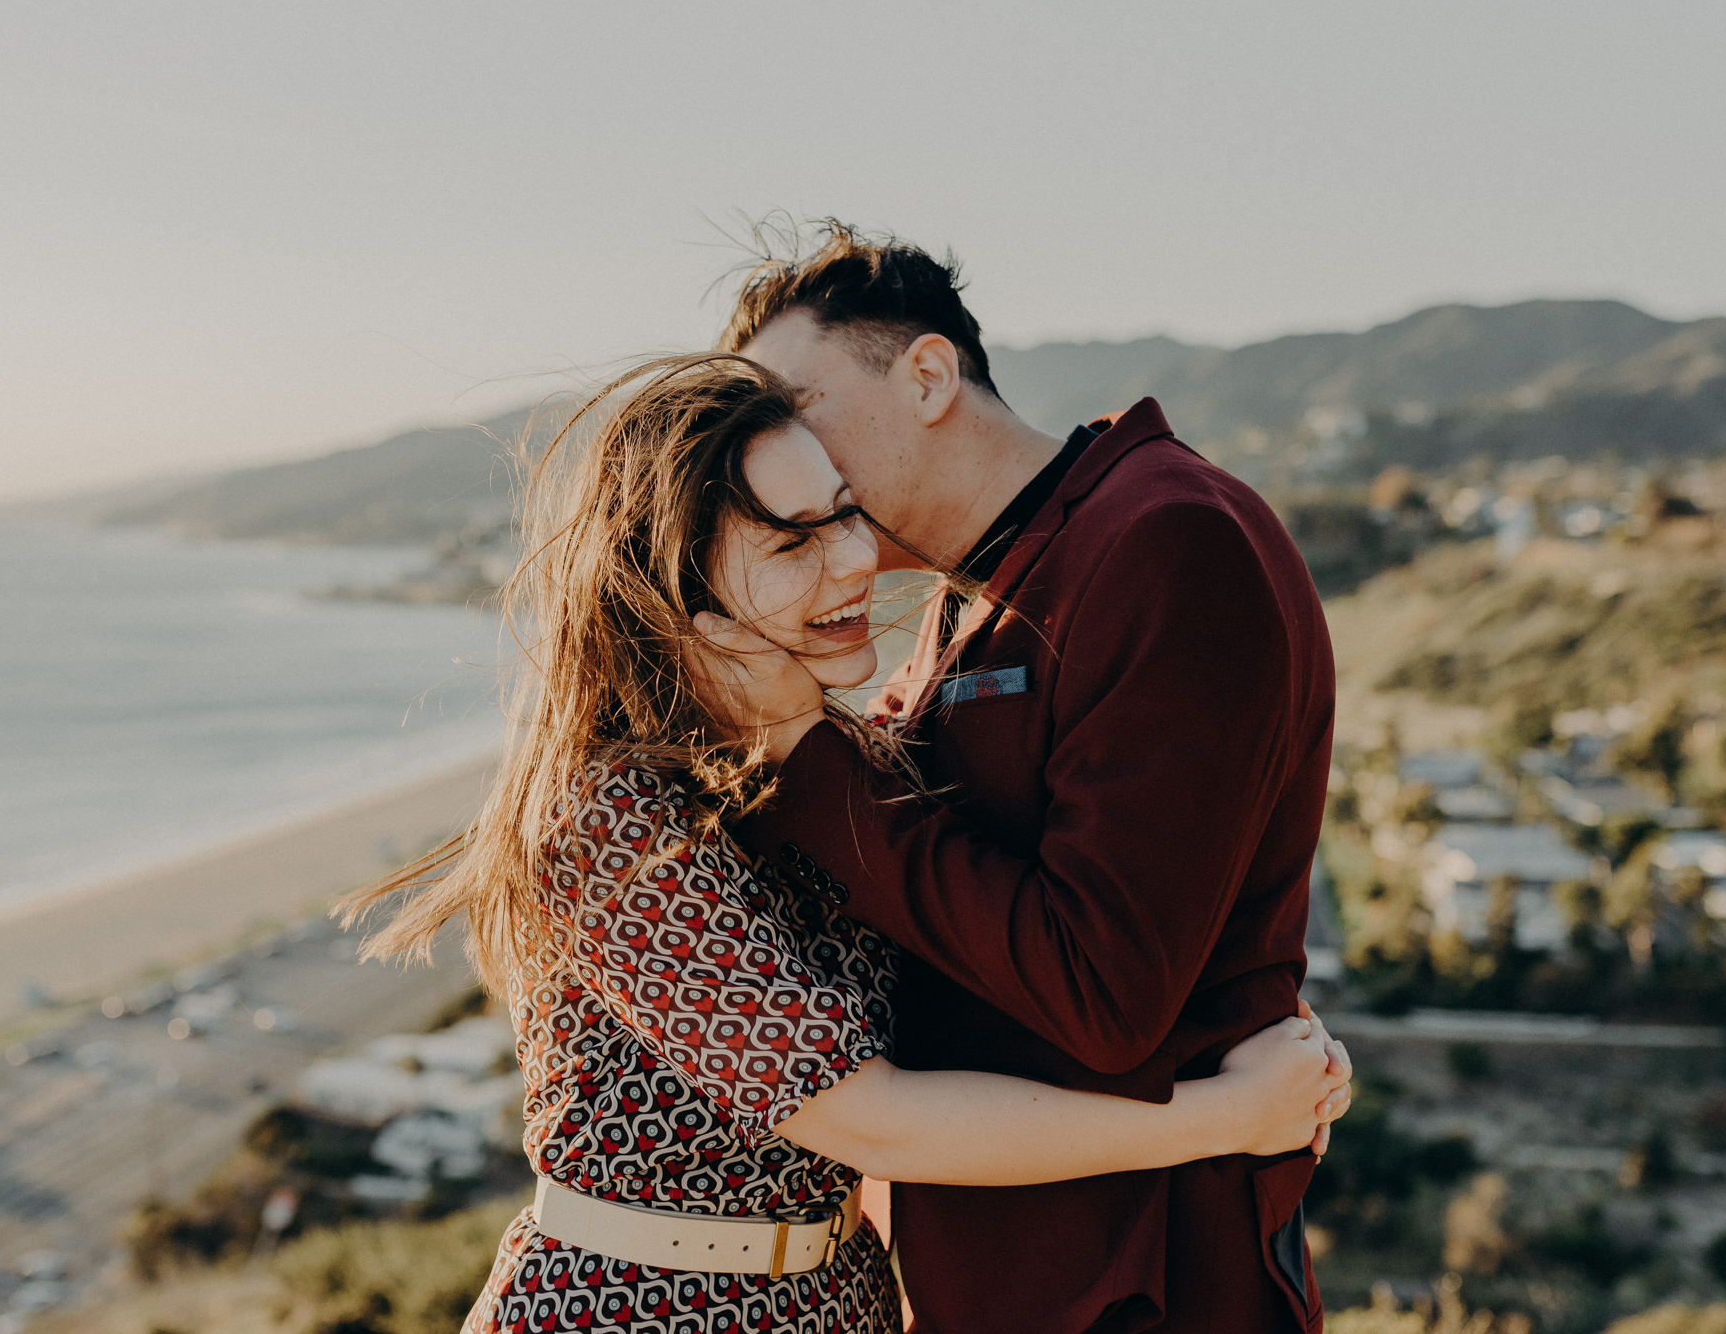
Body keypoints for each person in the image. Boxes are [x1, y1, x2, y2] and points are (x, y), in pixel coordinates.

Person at [340, 355, 1352, 1334]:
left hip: (829, 1297)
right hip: (636, 1302)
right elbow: (869, 1117)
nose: (857, 558)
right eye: (791, 543)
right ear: (668, 592)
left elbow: (985, 943)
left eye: (843, 511)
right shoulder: (607, 814)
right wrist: (1221, 1116)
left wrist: (1252, 1022)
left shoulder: (830, 755)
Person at [694, 222, 1342, 1333]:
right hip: (1011, 1269)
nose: (777, 455)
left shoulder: (1166, 541)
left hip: (1138, 1276)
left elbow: (1101, 988)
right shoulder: (979, 588)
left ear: (928, 373)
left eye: (794, 405)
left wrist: (806, 756)